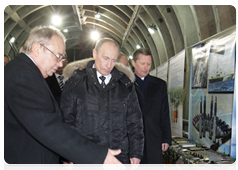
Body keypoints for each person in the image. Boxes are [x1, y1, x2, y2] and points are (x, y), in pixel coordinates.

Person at [4, 25, 126, 170]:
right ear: (36, 48)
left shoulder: (25, 73)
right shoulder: (22, 77)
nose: (60, 63)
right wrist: (97, 156)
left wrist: (65, 155)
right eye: (57, 56)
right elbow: (47, 126)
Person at [60, 38, 144, 170]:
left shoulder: (125, 85)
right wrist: (66, 155)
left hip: (118, 158)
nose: (109, 65)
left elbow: (134, 121)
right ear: (95, 54)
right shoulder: (75, 83)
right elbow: (66, 121)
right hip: (84, 158)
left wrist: (136, 152)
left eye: (113, 60)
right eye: (105, 58)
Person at [131, 48, 171, 170]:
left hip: (154, 141)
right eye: (142, 63)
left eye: (149, 64)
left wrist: (166, 138)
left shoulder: (160, 85)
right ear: (133, 63)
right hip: (133, 144)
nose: (146, 67)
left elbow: (164, 113)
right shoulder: (126, 85)